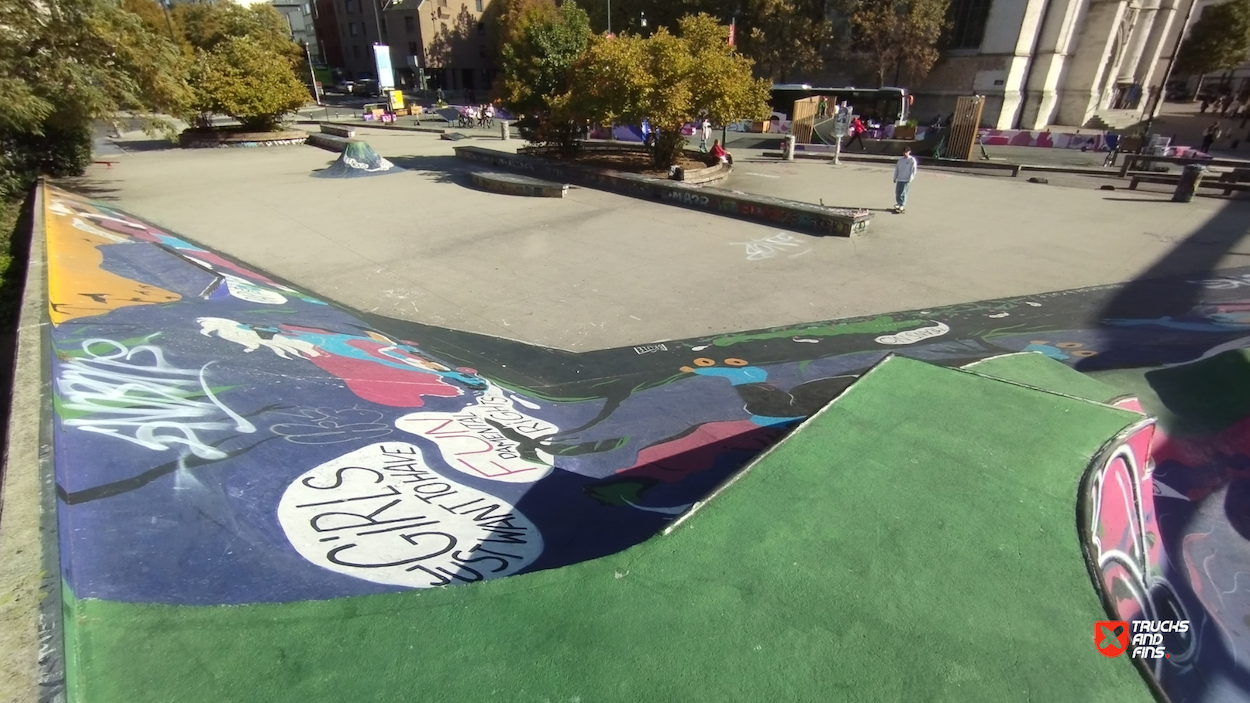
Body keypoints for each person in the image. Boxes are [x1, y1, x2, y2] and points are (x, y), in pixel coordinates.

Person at [892, 146, 917, 213]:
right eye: (904, 152)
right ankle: (898, 203)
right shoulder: (900, 160)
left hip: (906, 179)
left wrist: (911, 178)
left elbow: (913, 170)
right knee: (898, 192)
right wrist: (895, 177)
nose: (905, 153)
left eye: (906, 152)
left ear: (909, 152)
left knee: (903, 193)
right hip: (900, 178)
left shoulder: (911, 160)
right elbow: (897, 169)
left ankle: (902, 204)